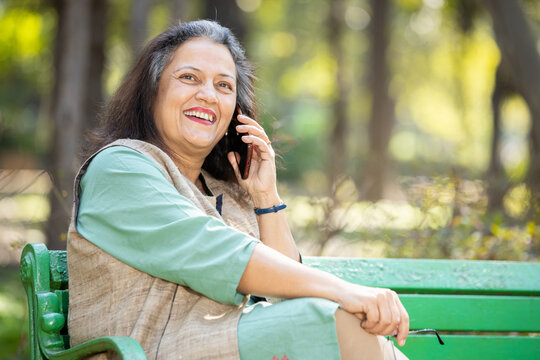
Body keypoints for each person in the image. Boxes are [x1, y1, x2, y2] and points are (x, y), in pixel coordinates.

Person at [67, 20, 410, 360]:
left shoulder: (225, 192)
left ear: (236, 112)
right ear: (152, 90)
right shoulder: (119, 168)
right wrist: (344, 291)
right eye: (189, 77)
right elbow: (212, 249)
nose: (207, 94)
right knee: (333, 317)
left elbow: (290, 297)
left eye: (224, 85)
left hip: (219, 344)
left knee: (332, 318)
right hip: (146, 350)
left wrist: (265, 198)